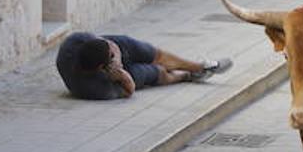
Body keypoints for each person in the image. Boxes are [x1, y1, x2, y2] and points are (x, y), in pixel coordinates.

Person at [57, 33, 231, 100]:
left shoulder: (75, 42)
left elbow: (109, 44)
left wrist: (116, 57)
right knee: (158, 72)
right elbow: (128, 91)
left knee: (154, 54)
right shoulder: (91, 88)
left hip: (115, 55)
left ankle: (199, 67)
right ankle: (186, 76)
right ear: (102, 67)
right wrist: (122, 74)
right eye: (110, 56)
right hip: (119, 77)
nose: (113, 52)